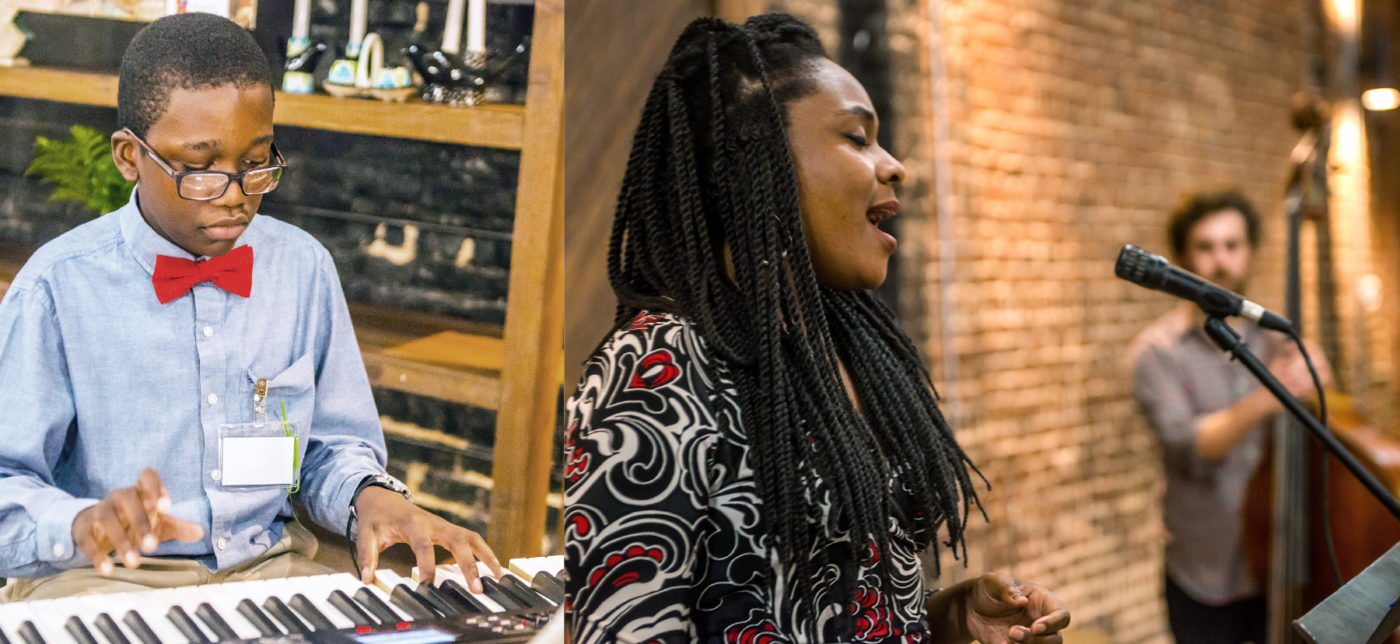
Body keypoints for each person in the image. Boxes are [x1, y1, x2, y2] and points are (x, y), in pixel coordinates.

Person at [564, 14, 1069, 643]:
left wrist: (947, 622)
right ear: (758, 162)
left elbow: (832, 606)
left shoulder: (840, 346)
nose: (895, 166)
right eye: (857, 138)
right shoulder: (658, 363)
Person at [0, 13, 499, 601]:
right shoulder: (57, 289)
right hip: (103, 579)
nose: (236, 196)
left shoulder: (302, 269)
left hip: (268, 571)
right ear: (129, 156)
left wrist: (373, 495)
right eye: (200, 167)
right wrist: (81, 524)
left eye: (256, 163)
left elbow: (328, 450)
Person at [1130, 190, 1332, 644]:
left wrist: (1321, 383)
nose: (1220, 261)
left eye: (1232, 245)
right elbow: (1188, 445)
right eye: (1205, 247)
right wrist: (1268, 395)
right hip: (1205, 567)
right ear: (1184, 259)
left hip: (1284, 560)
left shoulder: (1275, 341)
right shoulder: (1157, 352)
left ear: (1250, 253)